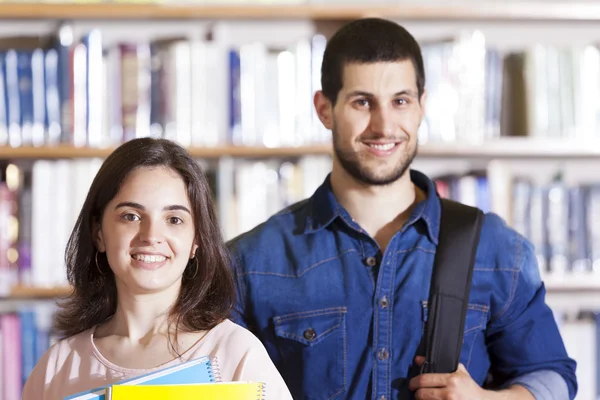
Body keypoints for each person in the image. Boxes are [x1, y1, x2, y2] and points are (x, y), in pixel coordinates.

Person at [227, 18, 577, 400]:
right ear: (325, 109)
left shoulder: (497, 249)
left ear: (422, 106)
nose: (383, 125)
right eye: (363, 102)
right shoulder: (249, 261)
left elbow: (551, 376)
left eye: (400, 101)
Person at [22, 138, 293, 400]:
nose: (151, 236)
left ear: (196, 240)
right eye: (131, 216)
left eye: (174, 219)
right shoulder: (58, 366)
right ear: (98, 233)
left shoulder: (235, 354)